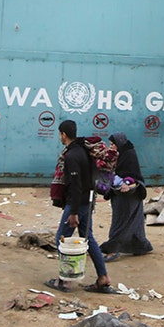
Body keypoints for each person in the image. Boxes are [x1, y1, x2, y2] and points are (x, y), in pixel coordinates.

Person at [46, 119, 114, 293]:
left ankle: (65, 281)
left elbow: (75, 185)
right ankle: (103, 277)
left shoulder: (72, 156)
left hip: (78, 203)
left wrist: (74, 212)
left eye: (60, 134)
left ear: (63, 134)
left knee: (61, 239)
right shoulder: (84, 150)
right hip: (88, 200)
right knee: (87, 238)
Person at [100, 132, 153, 261]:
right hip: (126, 195)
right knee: (135, 222)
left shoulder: (128, 155)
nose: (111, 146)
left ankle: (113, 249)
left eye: (113, 144)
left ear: (119, 144)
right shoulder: (121, 154)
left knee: (121, 222)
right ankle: (141, 246)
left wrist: (126, 183)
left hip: (128, 195)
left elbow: (131, 175)